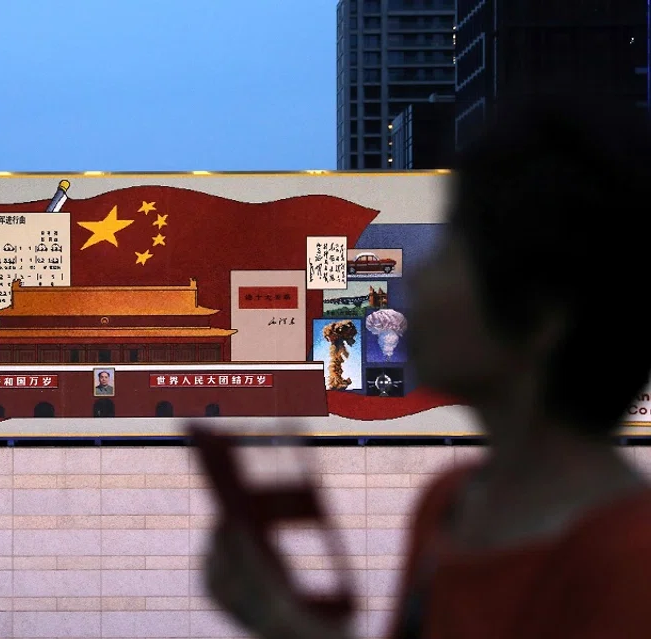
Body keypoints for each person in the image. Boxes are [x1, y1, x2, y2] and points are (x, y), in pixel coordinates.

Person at [203, 93, 651, 639]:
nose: (415, 281)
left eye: (450, 254)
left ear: (540, 317)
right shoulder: (448, 505)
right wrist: (278, 618)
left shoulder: (629, 562)